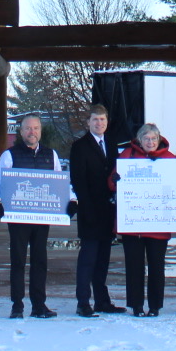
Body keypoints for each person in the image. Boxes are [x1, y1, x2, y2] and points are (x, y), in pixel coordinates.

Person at [0, 113, 62, 319]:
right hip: (18, 216)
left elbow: (60, 182)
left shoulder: (51, 155)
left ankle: (39, 304)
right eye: (28, 128)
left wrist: (71, 200)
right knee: (18, 260)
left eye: (36, 128)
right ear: (21, 132)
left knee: (40, 261)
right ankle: (17, 305)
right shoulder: (9, 155)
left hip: (41, 217)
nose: (32, 132)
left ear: (40, 130)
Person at [67, 102, 127, 317]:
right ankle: (83, 302)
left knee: (103, 260)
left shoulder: (111, 143)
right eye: (95, 119)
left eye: (102, 120)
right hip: (89, 210)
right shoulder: (80, 146)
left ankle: (102, 300)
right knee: (88, 260)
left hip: (107, 210)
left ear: (106, 122)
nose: (99, 123)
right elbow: (78, 181)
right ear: (88, 122)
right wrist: (87, 207)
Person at [114, 123, 176, 316]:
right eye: (147, 139)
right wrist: (114, 179)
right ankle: (137, 305)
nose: (150, 142)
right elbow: (111, 183)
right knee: (134, 266)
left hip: (158, 225)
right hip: (133, 224)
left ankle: (155, 306)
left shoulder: (169, 159)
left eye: (154, 139)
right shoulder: (127, 156)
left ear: (159, 140)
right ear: (140, 140)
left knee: (157, 267)